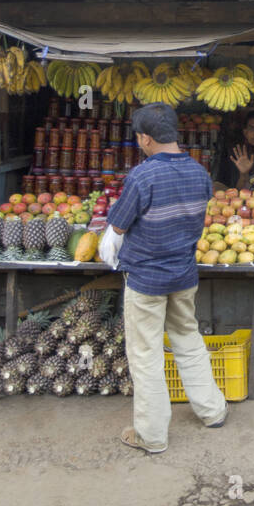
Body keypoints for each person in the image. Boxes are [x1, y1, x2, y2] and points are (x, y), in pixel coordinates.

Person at [99, 102, 227, 454]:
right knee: (188, 339)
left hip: (147, 280)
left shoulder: (143, 175)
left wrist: (109, 241)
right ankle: (213, 411)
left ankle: (152, 435)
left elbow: (120, 224)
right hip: (183, 275)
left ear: (144, 138)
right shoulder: (200, 174)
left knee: (145, 355)